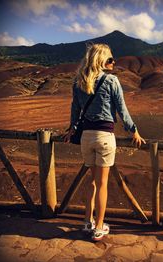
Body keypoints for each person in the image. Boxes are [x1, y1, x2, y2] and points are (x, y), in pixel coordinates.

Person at [63, 43, 146, 241]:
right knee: (102, 184)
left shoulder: (79, 81)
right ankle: (99, 227)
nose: (113, 62)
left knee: (91, 182)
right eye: (110, 59)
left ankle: (86, 221)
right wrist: (134, 131)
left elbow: (75, 109)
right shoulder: (111, 80)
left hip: (86, 137)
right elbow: (122, 110)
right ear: (102, 61)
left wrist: (71, 129)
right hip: (104, 137)